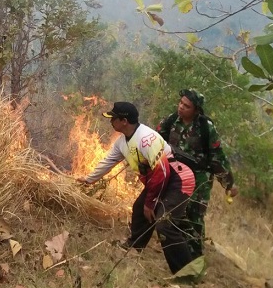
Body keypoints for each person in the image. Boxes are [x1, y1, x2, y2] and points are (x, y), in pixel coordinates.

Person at [77, 102, 196, 274]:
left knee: (164, 224)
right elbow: (108, 162)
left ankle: (187, 273)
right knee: (139, 209)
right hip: (160, 180)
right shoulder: (122, 143)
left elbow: (162, 172)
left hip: (178, 180)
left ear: (124, 121)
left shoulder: (147, 139)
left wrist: (151, 202)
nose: (111, 122)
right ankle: (134, 246)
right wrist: (89, 180)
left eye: (114, 118)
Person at [157, 89, 238, 260]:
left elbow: (218, 158)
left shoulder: (206, 128)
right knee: (170, 213)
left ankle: (194, 260)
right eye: (180, 103)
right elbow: (157, 140)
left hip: (198, 178)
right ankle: (176, 252)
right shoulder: (171, 120)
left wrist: (228, 184)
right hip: (174, 174)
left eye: (186, 106)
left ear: (196, 110)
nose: (181, 107)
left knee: (194, 217)